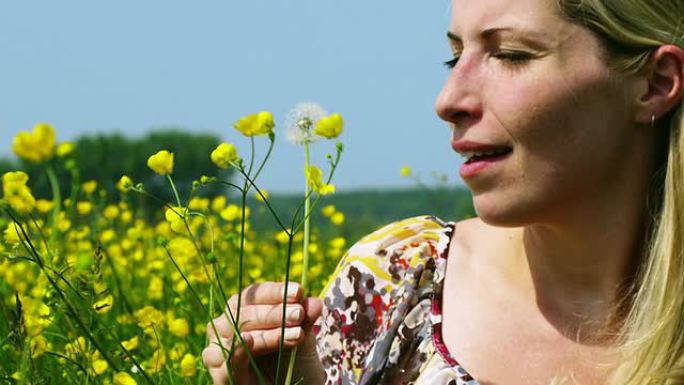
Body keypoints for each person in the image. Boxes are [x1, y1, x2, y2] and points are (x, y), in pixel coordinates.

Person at [202, 0, 684, 383]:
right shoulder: (395, 282)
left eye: (511, 55)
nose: (448, 100)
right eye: (454, 56)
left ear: (654, 83)